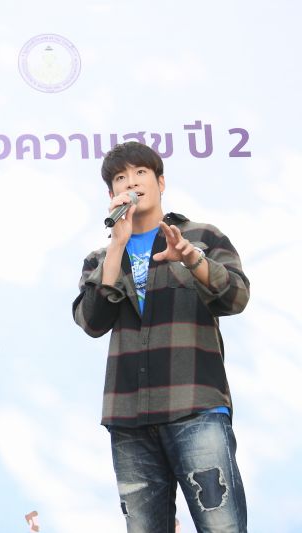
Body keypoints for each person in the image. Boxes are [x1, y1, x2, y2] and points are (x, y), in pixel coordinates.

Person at [72, 141, 249, 532]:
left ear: (161, 182)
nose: (131, 183)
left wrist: (192, 259)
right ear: (111, 194)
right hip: (129, 417)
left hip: (195, 407)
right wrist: (117, 245)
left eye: (140, 173)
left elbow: (236, 297)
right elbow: (91, 322)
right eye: (121, 178)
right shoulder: (101, 258)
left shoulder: (202, 236)